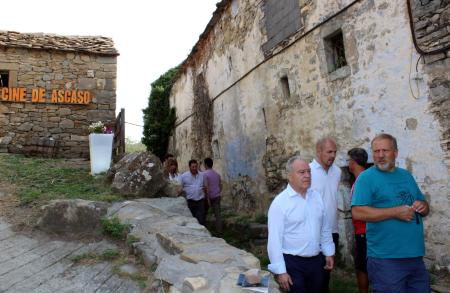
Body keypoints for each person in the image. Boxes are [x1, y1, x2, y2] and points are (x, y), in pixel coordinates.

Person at [352, 133, 430, 293]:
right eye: (376, 151)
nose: (380, 155)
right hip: (386, 259)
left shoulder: (406, 176)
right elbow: (358, 212)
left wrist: (423, 206)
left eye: (385, 151)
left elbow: (425, 206)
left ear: (395, 152)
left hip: (415, 256)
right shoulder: (366, 178)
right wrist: (394, 212)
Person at [267, 156, 335, 293]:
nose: (307, 175)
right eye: (301, 172)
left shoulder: (316, 197)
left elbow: (325, 229)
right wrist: (281, 271)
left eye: (309, 172)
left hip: (316, 261)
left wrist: (328, 252)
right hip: (292, 263)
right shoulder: (280, 203)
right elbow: (274, 240)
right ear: (290, 176)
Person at [309, 137, 341, 293]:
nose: (333, 155)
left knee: (326, 274)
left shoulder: (337, 171)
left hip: (332, 231)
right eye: (329, 152)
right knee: (313, 275)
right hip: (312, 231)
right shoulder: (308, 172)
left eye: (335, 152)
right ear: (319, 151)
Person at [347, 148, 369, 293]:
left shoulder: (362, 180)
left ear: (353, 162)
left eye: (349, 160)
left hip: (364, 232)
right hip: (364, 231)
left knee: (362, 267)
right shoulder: (364, 178)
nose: (348, 164)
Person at [179, 159, 207, 225]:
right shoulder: (184, 176)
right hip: (190, 201)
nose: (194, 168)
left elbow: (205, 186)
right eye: (193, 167)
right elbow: (180, 187)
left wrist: (206, 196)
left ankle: (201, 233)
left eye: (195, 167)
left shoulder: (202, 175)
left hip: (200, 200)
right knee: (191, 218)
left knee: (200, 218)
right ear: (189, 167)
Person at [203, 157, 223, 233]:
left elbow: (206, 187)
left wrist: (207, 198)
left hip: (208, 197)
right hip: (217, 196)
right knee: (218, 215)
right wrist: (218, 192)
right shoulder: (217, 174)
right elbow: (221, 185)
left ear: (205, 165)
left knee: (203, 214)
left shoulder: (204, 174)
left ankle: (204, 231)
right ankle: (220, 231)